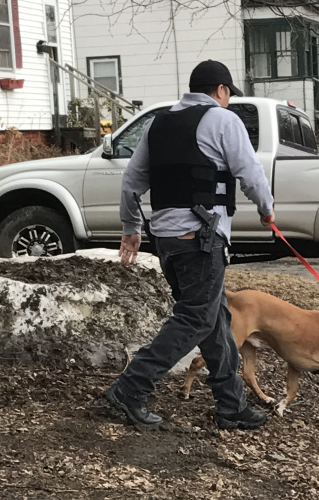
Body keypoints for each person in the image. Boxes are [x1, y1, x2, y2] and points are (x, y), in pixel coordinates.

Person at [104, 59, 275, 430]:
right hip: (201, 239)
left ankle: (231, 405)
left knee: (214, 320)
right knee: (196, 318)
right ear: (221, 91)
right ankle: (130, 387)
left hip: (166, 240)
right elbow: (250, 171)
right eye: (229, 96)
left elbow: (132, 180)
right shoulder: (224, 120)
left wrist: (131, 227)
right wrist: (267, 209)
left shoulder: (158, 123)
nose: (228, 102)